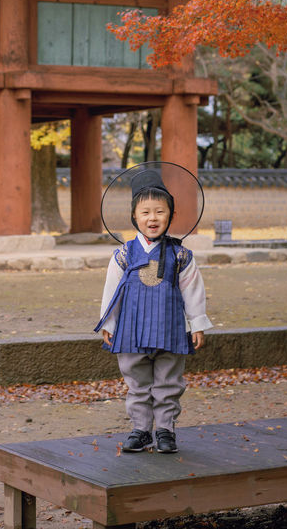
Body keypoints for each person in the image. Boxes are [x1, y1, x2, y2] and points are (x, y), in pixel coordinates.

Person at [95, 167, 212, 453]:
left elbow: (192, 290)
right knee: (137, 381)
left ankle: (165, 430)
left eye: (160, 211)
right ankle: (140, 429)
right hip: (131, 327)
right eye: (145, 212)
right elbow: (112, 290)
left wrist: (196, 322)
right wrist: (108, 323)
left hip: (169, 325)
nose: (152, 218)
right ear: (134, 216)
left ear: (170, 215)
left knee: (168, 381)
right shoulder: (123, 254)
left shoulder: (181, 255)